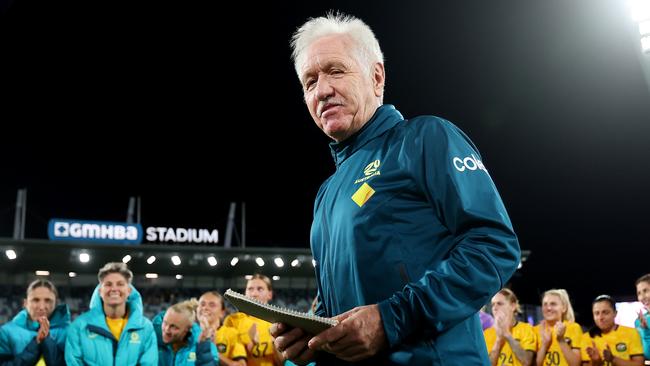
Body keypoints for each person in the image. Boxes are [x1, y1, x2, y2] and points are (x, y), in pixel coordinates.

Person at [271, 11, 520, 365]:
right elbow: (338, 307)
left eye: (336, 71)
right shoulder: (326, 194)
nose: (322, 90)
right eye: (310, 82)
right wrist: (313, 339)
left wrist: (391, 319)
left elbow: (495, 245)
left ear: (376, 76)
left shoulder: (425, 138)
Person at [65, 262, 157, 365]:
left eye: (120, 284)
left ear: (129, 291)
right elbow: (73, 362)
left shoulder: (145, 327)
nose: (114, 289)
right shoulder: (79, 326)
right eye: (108, 284)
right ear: (100, 291)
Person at [0, 279, 70, 365]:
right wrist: (36, 343)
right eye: (36, 300)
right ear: (25, 303)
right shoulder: (6, 332)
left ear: (56, 304)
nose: (41, 307)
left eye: (48, 300)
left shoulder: (69, 333)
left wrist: (47, 340)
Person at [223, 275, 282, 366]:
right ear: (245, 293)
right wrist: (252, 343)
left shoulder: (278, 323)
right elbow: (227, 359)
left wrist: (275, 344)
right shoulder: (232, 320)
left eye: (260, 289)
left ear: (270, 294)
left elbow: (281, 363)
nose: (254, 294)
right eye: (250, 289)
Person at [581, 294, 644, 366]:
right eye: (597, 313)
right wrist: (596, 362)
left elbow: (639, 364)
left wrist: (613, 359)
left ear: (615, 313)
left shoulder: (631, 333)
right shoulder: (587, 337)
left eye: (605, 312)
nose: (600, 317)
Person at [153, 299, 219, 366]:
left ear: (187, 329)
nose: (166, 330)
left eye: (174, 327)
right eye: (165, 323)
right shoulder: (152, 339)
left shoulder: (205, 346)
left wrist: (203, 349)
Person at [484, 288, 535, 366]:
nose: (495, 308)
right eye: (493, 304)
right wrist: (498, 341)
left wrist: (507, 335)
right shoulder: (487, 333)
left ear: (513, 306)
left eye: (499, 303)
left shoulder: (527, 329)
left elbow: (527, 362)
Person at [197, 291, 247, 366]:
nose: (205, 308)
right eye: (202, 304)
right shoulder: (189, 333)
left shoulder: (231, 333)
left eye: (212, 305)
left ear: (222, 313)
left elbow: (241, 365)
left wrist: (212, 351)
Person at [534, 289, 581, 366]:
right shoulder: (534, 330)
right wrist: (544, 345)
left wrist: (561, 340)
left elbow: (576, 364)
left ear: (564, 308)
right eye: (545, 304)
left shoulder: (574, 328)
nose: (548, 308)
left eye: (553, 304)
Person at [634, 274, 650, 361]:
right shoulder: (639, 322)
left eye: (645, 291)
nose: (642, 297)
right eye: (639, 293)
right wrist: (645, 331)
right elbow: (647, 356)